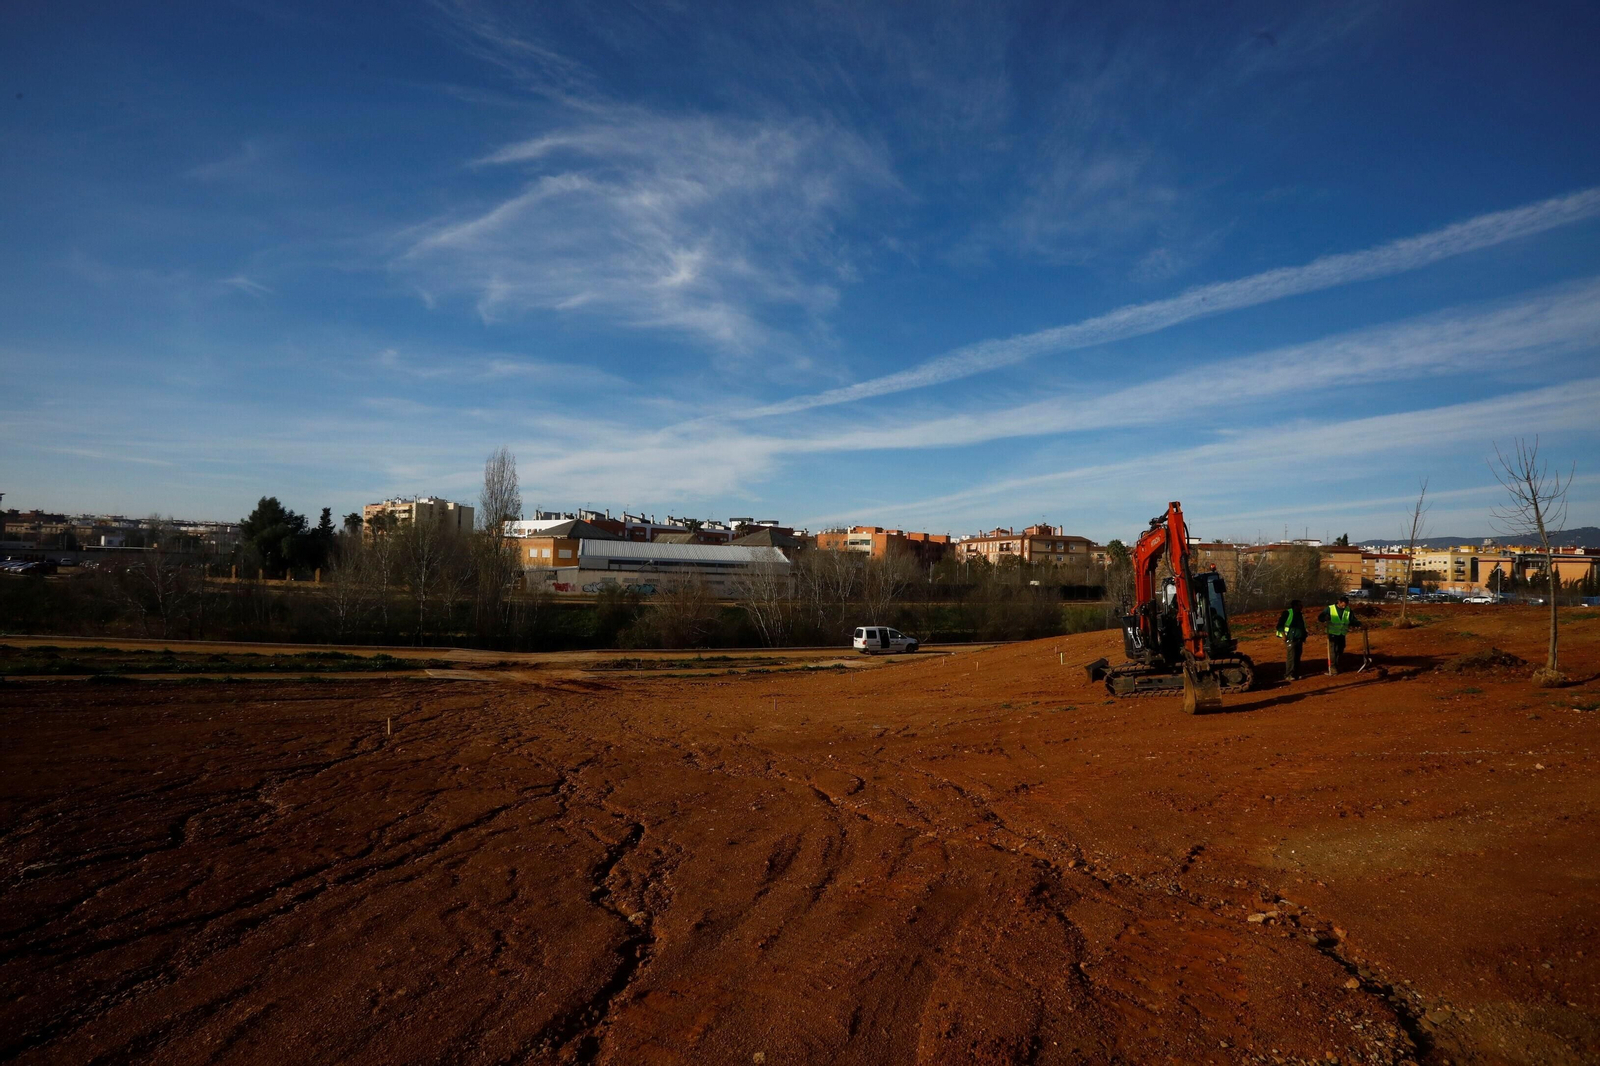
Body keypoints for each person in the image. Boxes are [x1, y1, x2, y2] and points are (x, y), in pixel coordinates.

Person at [1318, 595, 1363, 675]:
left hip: (1342, 633)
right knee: (1333, 651)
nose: (1344, 606)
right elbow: (1320, 617)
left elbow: (1352, 620)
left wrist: (1360, 624)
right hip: (1332, 633)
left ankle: (1337, 665)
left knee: (1340, 650)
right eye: (1343, 604)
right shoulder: (1330, 608)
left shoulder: (1348, 610)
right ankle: (1332, 668)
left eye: (1346, 605)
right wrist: (1325, 618)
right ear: (1339, 602)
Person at [1274, 598, 1307, 682]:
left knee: (1297, 657)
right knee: (1291, 657)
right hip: (1290, 639)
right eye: (1300, 605)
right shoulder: (1288, 613)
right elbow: (1279, 626)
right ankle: (1288, 674)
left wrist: (1304, 636)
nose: (1301, 606)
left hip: (1299, 639)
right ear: (1295, 606)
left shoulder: (1300, 614)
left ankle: (1296, 674)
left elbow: (1302, 626)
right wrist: (1283, 636)